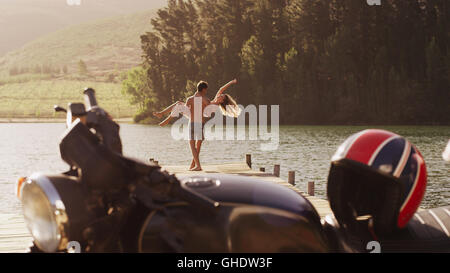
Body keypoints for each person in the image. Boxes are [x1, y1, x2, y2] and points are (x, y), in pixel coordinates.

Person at [153, 79, 240, 171]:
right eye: (220, 95)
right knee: (178, 104)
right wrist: (231, 82)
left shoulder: (214, 104)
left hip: (196, 118)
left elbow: (206, 104)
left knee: (196, 145)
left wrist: (196, 97)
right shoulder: (212, 100)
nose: (220, 95)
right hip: (195, 116)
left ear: (222, 100)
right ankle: (162, 114)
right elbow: (221, 89)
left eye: (221, 96)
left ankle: (196, 165)